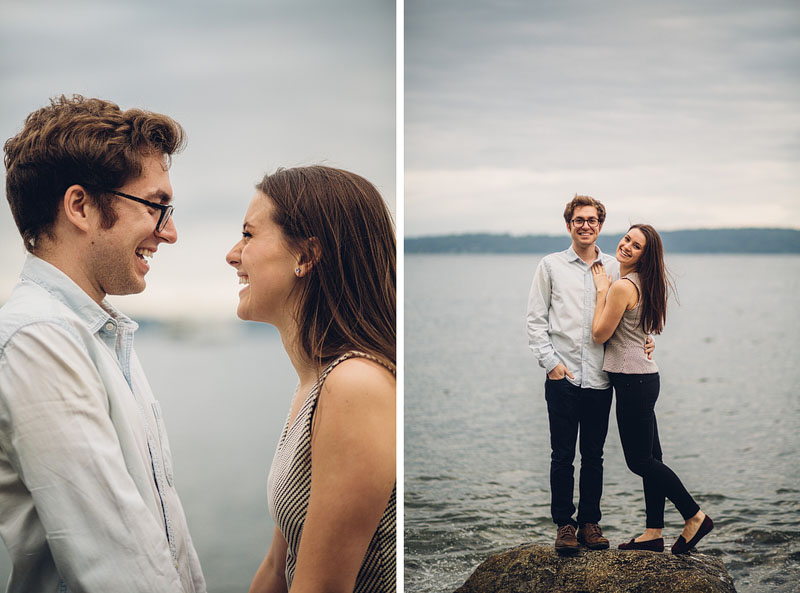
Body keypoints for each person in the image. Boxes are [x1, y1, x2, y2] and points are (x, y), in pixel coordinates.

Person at [0, 95, 206, 592]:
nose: (170, 232)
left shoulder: (96, 335)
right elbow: (117, 563)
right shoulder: (40, 340)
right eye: (157, 206)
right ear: (81, 206)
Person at [226, 166, 396, 593]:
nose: (233, 254)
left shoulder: (356, 385)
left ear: (305, 255)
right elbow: (277, 569)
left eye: (248, 235)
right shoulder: (315, 384)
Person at [526, 195, 654, 555]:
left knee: (594, 455)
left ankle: (590, 524)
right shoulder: (550, 266)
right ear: (569, 225)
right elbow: (536, 321)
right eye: (579, 220)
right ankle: (564, 525)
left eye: (592, 220)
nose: (586, 225)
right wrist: (551, 365)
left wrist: (648, 340)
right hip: (562, 376)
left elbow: (635, 312)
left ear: (600, 226)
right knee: (562, 455)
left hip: (601, 377)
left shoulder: (616, 268)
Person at [591, 224, 713, 554]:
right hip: (643, 379)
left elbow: (600, 334)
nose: (627, 246)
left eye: (637, 245)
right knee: (652, 457)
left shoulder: (622, 287)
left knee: (640, 462)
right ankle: (654, 532)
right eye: (627, 238)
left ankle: (694, 515)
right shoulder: (646, 283)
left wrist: (603, 290)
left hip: (632, 381)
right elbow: (638, 332)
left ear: (646, 256)